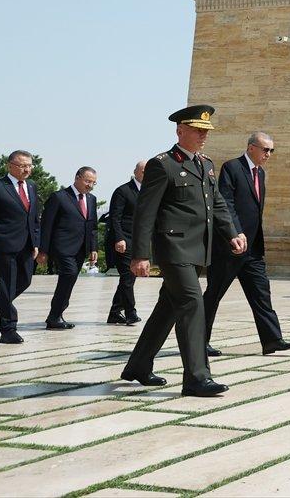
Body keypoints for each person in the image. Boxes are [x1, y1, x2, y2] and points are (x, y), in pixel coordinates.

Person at [119, 105, 247, 396]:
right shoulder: (162, 164)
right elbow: (145, 213)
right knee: (192, 304)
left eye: (206, 131)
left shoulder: (206, 163)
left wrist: (232, 233)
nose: (203, 136)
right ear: (180, 130)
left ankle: (138, 366)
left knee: (168, 308)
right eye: (197, 130)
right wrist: (141, 255)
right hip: (173, 247)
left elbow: (217, 204)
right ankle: (197, 378)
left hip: (199, 248)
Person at [203, 132, 290, 356]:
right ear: (251, 147)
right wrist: (234, 233)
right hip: (229, 247)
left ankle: (272, 340)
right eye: (266, 150)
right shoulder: (232, 168)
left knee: (261, 293)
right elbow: (226, 204)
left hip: (253, 249)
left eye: (272, 151)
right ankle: (198, 342)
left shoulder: (260, 174)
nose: (269, 155)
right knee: (213, 294)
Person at [0, 150, 41, 343]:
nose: (26, 169)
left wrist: (36, 242)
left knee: (24, 282)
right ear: (9, 166)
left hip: (27, 245)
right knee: (7, 283)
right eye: (21, 165)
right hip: (4, 245)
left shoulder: (32, 186)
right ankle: (8, 330)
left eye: (29, 165)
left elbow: (34, 217)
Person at [38, 166, 99, 329]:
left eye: (93, 183)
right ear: (77, 177)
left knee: (69, 280)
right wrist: (43, 250)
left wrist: (93, 248)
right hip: (61, 247)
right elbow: (47, 225)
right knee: (69, 275)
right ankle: (54, 316)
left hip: (81, 248)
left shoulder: (91, 199)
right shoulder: (59, 197)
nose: (90, 186)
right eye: (87, 181)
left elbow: (92, 226)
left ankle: (56, 315)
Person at [106, 161, 145, 325]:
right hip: (123, 239)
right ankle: (130, 312)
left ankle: (115, 312)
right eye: (143, 170)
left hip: (138, 240)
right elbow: (114, 217)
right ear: (136, 171)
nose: (146, 174)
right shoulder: (123, 191)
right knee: (128, 276)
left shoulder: (149, 191)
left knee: (129, 277)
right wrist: (119, 238)